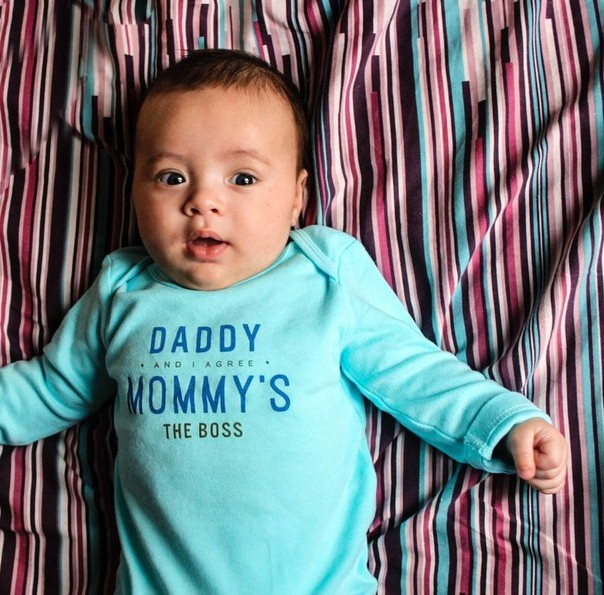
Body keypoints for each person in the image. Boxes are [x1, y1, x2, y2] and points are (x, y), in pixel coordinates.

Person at [0, 49, 567, 594]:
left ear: (297, 197)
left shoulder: (323, 271)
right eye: (171, 177)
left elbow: (413, 372)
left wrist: (503, 423)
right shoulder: (123, 289)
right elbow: (52, 387)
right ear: (133, 192)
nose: (203, 201)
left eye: (242, 178)